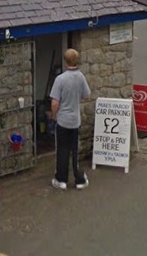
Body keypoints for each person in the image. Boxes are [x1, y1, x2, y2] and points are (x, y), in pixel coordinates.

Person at [50, 48, 91, 190]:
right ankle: (79, 180)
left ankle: (61, 180)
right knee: (75, 150)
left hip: (62, 121)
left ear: (65, 60)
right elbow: (87, 95)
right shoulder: (80, 77)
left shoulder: (60, 79)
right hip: (75, 121)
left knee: (62, 150)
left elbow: (55, 103)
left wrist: (54, 115)